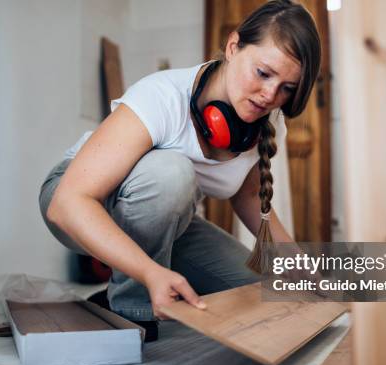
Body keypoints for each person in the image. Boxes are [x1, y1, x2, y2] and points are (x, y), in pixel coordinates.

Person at [39, 0, 321, 339]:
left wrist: (295, 262)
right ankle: (130, 308)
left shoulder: (266, 119)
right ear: (233, 47)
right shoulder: (162, 96)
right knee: (172, 173)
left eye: (287, 88)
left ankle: (107, 296)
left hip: (166, 220)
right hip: (79, 198)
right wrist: (149, 272)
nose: (270, 95)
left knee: (255, 293)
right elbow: (67, 204)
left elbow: (248, 196)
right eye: (263, 73)